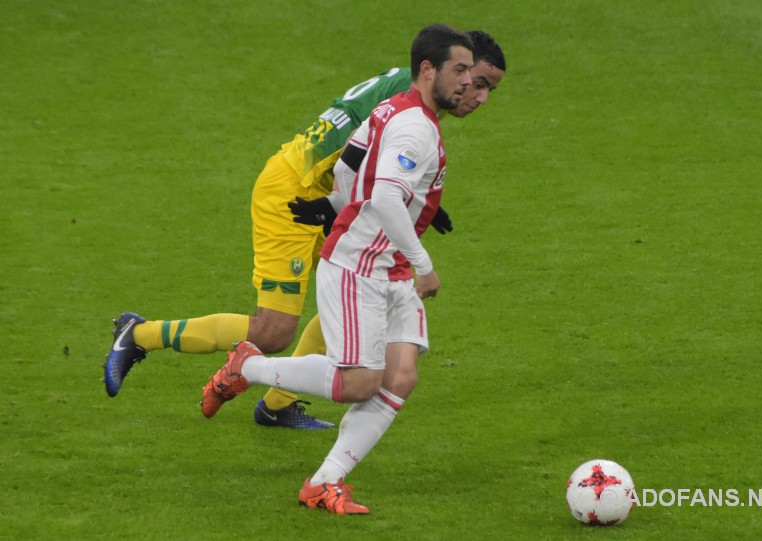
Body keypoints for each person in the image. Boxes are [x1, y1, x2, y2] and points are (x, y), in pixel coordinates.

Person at [104, 30, 506, 431]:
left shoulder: (413, 87)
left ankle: (278, 403)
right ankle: (139, 335)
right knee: (273, 330)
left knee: (363, 285)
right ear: (436, 69)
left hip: (327, 192)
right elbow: (356, 157)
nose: (477, 93)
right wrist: (370, 205)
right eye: (475, 79)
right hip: (297, 191)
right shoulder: (413, 102)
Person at [201, 23, 474, 514]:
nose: (468, 84)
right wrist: (424, 264)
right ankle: (249, 365)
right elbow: (389, 196)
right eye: (459, 71)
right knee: (360, 383)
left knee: (402, 376)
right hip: (361, 268)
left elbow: (349, 163)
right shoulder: (415, 126)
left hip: (385, 268)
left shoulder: (394, 110)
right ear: (427, 69)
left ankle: (324, 482)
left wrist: (342, 205)